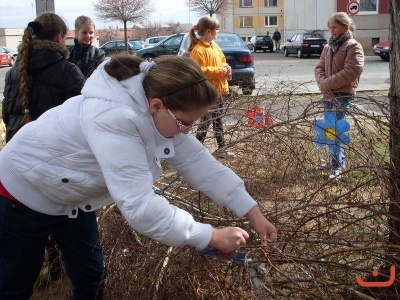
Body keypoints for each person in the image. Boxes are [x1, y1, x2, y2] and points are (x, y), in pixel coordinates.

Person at [0, 54, 278, 299]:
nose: (186, 132)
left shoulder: (159, 113)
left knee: (91, 277)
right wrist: (209, 236)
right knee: (15, 284)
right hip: (22, 190)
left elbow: (198, 162)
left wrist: (252, 211)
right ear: (156, 105)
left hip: (71, 194)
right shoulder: (113, 118)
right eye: (185, 123)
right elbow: (140, 206)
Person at [2, 12, 86, 284]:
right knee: (58, 215)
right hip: (56, 161)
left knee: (28, 228)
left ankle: (51, 268)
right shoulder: (67, 71)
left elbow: (7, 114)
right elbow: (84, 122)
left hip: (17, 162)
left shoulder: (16, 70)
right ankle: (61, 267)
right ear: (60, 37)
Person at [314, 12, 364, 180]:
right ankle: (335, 160)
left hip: (342, 95)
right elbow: (319, 68)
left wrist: (326, 85)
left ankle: (337, 166)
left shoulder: (353, 46)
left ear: (345, 27)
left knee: (335, 130)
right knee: (328, 129)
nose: (332, 31)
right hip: (328, 94)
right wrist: (323, 85)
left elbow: (351, 71)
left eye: (335, 27)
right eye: (330, 28)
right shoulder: (328, 47)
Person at [188, 16, 234, 158]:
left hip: (217, 91)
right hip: (207, 92)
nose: (218, 32)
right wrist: (219, 70)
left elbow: (223, 61)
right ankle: (218, 149)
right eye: (216, 30)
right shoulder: (198, 50)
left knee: (211, 121)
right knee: (211, 121)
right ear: (209, 31)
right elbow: (199, 71)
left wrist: (227, 68)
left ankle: (200, 149)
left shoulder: (215, 46)